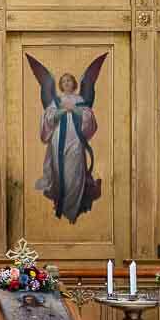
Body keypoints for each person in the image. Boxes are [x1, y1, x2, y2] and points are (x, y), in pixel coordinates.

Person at [28, 55, 106, 222]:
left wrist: (75, 109)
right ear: (60, 85)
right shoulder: (56, 101)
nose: (66, 83)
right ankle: (63, 206)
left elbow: (89, 118)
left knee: (75, 172)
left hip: (76, 141)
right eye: (63, 81)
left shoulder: (80, 99)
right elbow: (48, 118)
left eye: (69, 80)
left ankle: (73, 209)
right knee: (60, 171)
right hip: (58, 142)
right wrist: (62, 111)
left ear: (74, 83)